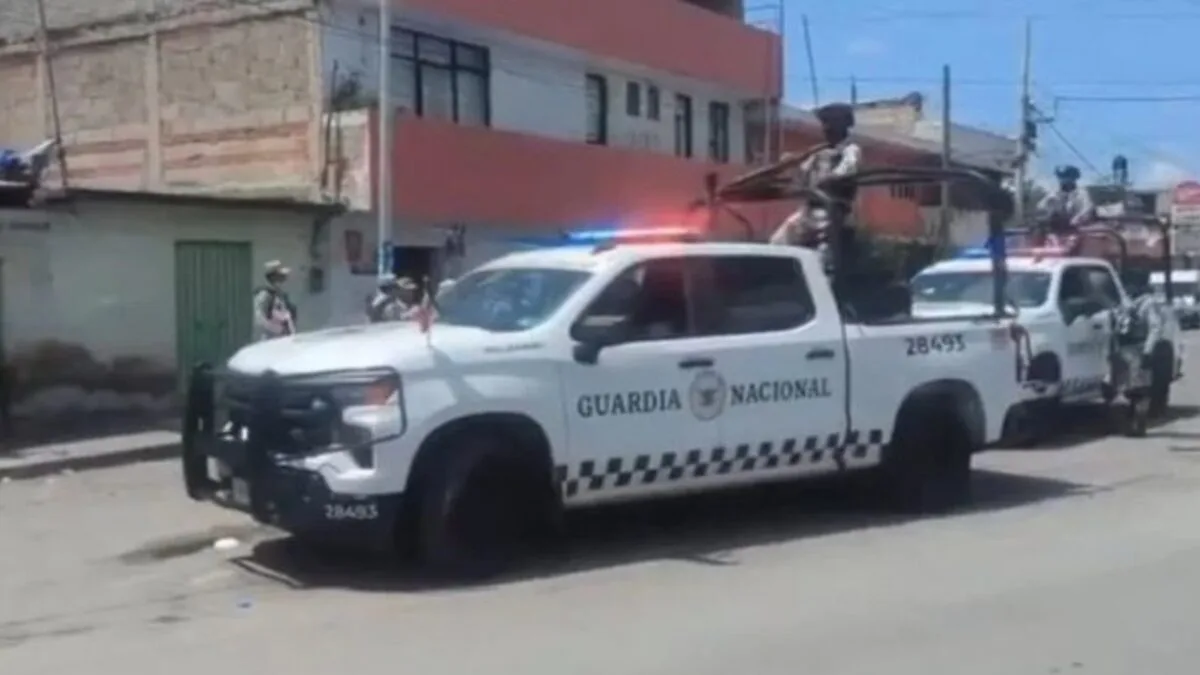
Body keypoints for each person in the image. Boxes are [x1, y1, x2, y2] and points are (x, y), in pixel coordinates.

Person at [769, 102, 862, 250]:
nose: (825, 129)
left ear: (841, 126)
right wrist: (790, 163)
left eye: (829, 124)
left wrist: (828, 179)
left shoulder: (850, 150)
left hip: (833, 212)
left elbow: (847, 169)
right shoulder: (819, 151)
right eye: (824, 124)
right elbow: (803, 171)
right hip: (809, 211)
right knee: (777, 242)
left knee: (823, 255)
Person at [1036, 165, 1094, 248]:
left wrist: (1077, 218)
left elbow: (1088, 208)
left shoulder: (1082, 193)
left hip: (1077, 230)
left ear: (1074, 178)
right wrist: (1050, 202)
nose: (1063, 179)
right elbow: (1041, 207)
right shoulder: (1054, 193)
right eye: (1060, 176)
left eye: (1067, 176)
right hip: (1055, 231)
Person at [253, 260, 297, 341]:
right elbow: (259, 319)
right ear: (272, 278)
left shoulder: (279, 295)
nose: (282, 281)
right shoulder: (264, 294)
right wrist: (278, 329)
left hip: (283, 339)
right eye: (279, 277)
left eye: (283, 278)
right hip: (270, 341)